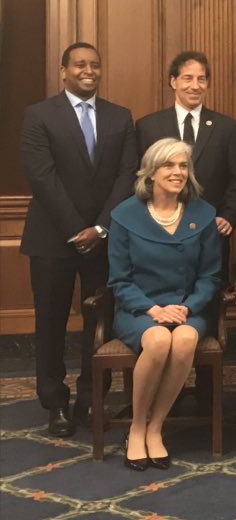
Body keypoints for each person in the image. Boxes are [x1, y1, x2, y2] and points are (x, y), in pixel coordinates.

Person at [20, 42, 137, 437]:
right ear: (63, 71)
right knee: (51, 323)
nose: (88, 71)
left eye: (95, 65)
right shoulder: (39, 116)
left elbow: (127, 175)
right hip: (52, 238)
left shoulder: (120, 117)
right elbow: (42, 177)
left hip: (104, 239)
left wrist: (100, 228)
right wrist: (77, 230)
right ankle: (55, 403)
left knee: (99, 321)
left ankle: (91, 398)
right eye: (80, 64)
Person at [107, 138, 221, 470]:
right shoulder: (125, 215)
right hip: (139, 310)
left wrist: (188, 307)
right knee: (157, 340)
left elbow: (211, 276)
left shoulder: (203, 214)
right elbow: (119, 280)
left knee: (183, 339)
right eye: (168, 165)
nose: (177, 172)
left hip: (188, 309)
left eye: (183, 166)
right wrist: (152, 310)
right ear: (151, 172)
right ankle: (136, 426)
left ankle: (156, 427)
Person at [135, 51, 236, 284]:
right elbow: (140, 178)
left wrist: (228, 217)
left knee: (208, 296)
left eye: (201, 79)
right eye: (187, 78)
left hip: (210, 233)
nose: (195, 86)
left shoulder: (227, 128)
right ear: (173, 81)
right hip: (160, 233)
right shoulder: (148, 127)